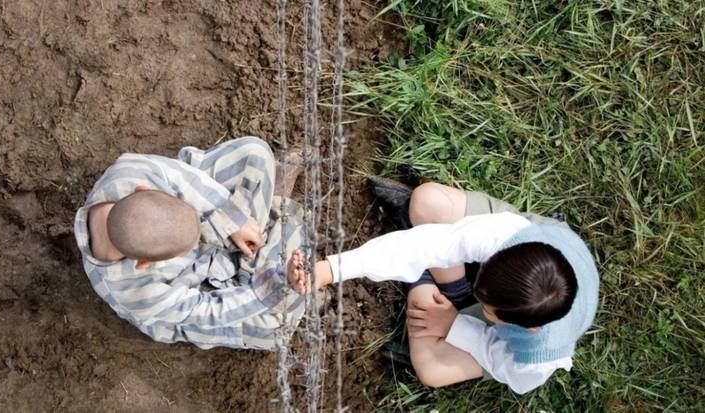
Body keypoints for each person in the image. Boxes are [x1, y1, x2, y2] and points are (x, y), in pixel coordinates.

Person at [292, 179, 599, 394]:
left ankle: (431, 286)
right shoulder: (507, 235)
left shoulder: (537, 357)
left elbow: (499, 360)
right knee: (427, 202)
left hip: (511, 329)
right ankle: (443, 288)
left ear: (525, 328)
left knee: (432, 370)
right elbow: (433, 244)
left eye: (490, 311)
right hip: (523, 251)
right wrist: (329, 269)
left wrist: (454, 325)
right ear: (504, 253)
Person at [74, 136, 309, 350]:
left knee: (254, 153)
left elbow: (186, 181)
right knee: (276, 328)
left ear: (143, 190)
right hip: (194, 285)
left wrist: (232, 220)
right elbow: (205, 310)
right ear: (145, 263)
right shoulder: (138, 293)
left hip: (215, 222)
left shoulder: (130, 171)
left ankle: (257, 249)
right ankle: (262, 256)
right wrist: (261, 292)